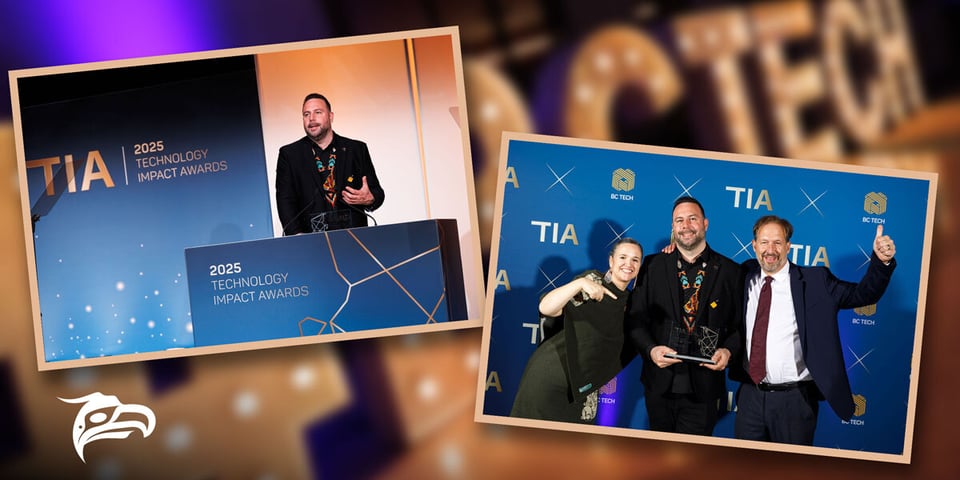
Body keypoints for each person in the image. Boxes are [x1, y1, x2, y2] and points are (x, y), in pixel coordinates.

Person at [730, 215, 896, 445]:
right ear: (754, 245)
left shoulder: (816, 281)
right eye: (764, 242)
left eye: (778, 242)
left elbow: (863, 295)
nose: (770, 249)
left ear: (788, 246)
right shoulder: (743, 276)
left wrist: (881, 261)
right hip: (750, 397)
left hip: (795, 401)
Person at [625, 196, 742, 435]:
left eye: (692, 219)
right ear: (672, 228)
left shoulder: (731, 271)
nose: (686, 225)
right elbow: (635, 320)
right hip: (659, 384)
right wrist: (650, 350)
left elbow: (741, 326)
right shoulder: (652, 266)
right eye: (679, 220)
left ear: (705, 223)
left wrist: (728, 351)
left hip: (704, 388)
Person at [511, 239, 644, 423]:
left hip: (582, 390)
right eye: (623, 257)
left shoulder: (633, 305)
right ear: (611, 261)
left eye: (635, 260)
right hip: (550, 377)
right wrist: (578, 284)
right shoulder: (591, 281)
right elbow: (546, 308)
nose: (628, 264)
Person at [276, 93, 385, 234]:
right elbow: (285, 200)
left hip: (355, 238)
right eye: (306, 114)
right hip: (310, 240)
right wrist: (296, 236)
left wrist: (370, 199)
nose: (311, 119)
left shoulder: (356, 149)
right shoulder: (290, 155)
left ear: (331, 116)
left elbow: (377, 193)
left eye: (318, 112)